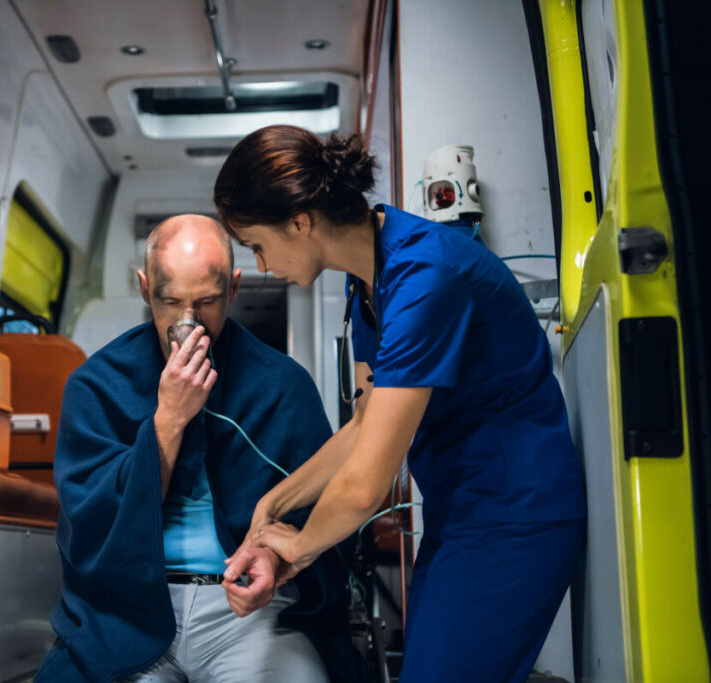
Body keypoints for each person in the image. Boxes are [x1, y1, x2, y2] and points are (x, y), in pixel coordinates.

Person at [213, 125, 587, 682]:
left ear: (300, 222)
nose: (263, 266)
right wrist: (272, 506)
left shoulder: (426, 276)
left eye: (257, 246)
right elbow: (365, 421)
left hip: (516, 515)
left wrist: (298, 546)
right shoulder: (368, 278)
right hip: (461, 514)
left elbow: (367, 484)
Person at [36, 215, 363, 682]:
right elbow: (88, 521)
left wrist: (276, 558)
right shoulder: (97, 385)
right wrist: (167, 422)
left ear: (234, 288)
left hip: (250, 609)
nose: (188, 324)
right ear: (145, 287)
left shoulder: (281, 384)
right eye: (170, 302)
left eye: (207, 302)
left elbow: (324, 507)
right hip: (128, 605)